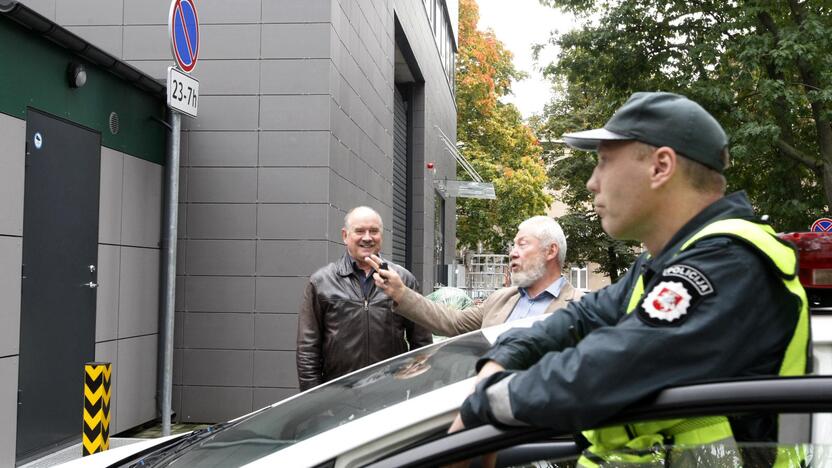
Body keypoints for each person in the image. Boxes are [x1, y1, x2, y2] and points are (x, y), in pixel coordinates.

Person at [448, 92, 811, 465]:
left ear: (660, 167)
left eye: (604, 162)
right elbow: (578, 320)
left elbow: (612, 365)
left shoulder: (729, 263)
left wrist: (486, 403)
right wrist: (503, 358)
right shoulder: (664, 264)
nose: (592, 182)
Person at [368, 216, 583, 337]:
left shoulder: (581, 309)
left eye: (522, 244)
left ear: (550, 251)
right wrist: (401, 293)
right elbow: (451, 321)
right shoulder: (501, 300)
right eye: (513, 245)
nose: (513, 252)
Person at [295, 206, 432, 391]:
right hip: (338, 396)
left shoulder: (403, 280)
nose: (367, 237)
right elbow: (308, 349)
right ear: (345, 235)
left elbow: (422, 345)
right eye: (359, 231)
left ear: (381, 236)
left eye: (373, 231)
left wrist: (415, 390)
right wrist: (312, 398)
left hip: (390, 393)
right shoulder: (321, 282)